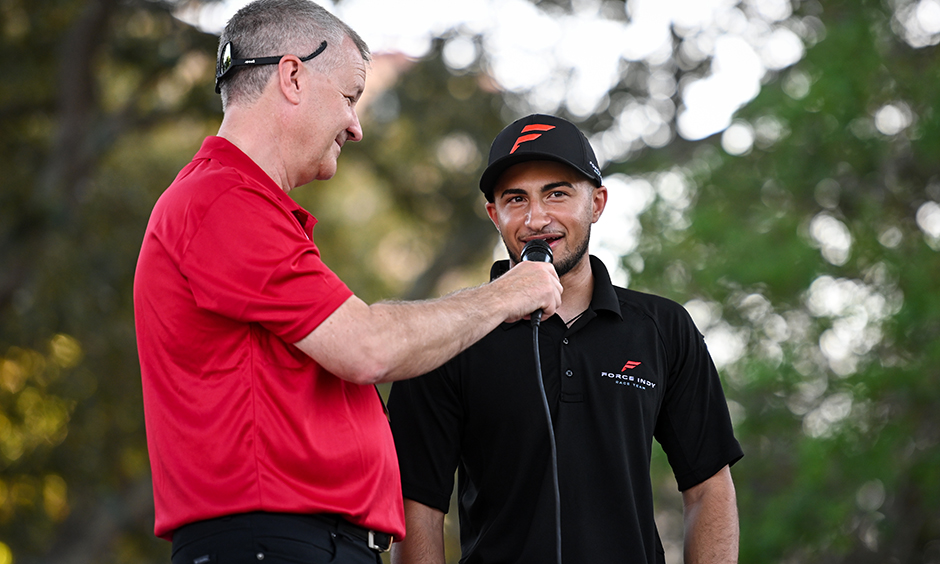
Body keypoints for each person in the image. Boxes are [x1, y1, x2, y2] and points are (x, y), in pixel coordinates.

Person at [133, 2, 562, 563]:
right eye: (349, 96)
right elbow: (368, 347)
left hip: (298, 543)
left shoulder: (235, 204)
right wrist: (509, 293)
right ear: (292, 76)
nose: (355, 127)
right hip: (273, 543)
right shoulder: (220, 200)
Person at [387, 114, 744, 564]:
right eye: (516, 199)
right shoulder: (444, 337)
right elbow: (417, 508)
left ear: (596, 203)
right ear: (494, 215)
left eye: (557, 193)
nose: (536, 218)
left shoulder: (663, 327)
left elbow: (709, 487)